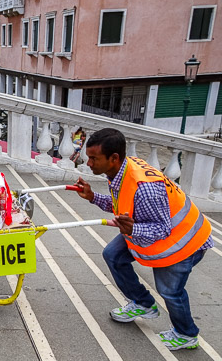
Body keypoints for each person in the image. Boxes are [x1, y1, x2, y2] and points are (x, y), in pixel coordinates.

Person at [74, 128, 213, 351]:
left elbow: (161, 230)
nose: (88, 163)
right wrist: (93, 197)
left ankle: (187, 334)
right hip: (152, 231)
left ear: (114, 158)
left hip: (184, 241)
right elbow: (124, 206)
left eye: (93, 158)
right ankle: (143, 303)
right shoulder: (122, 170)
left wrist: (133, 229)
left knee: (170, 291)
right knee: (113, 255)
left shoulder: (145, 188)